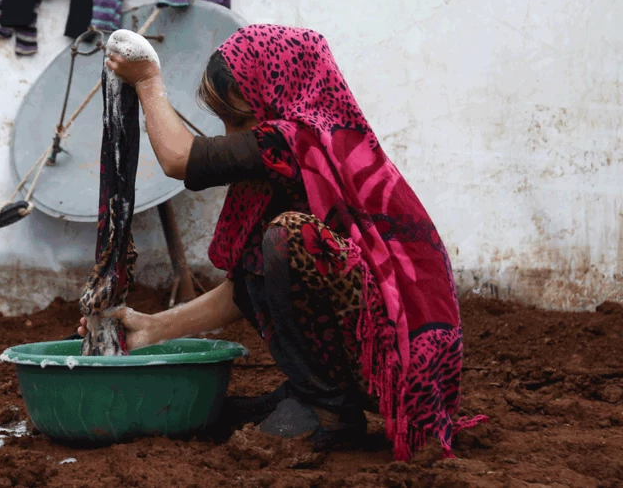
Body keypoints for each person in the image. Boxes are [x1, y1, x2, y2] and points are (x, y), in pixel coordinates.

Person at [77, 24, 485, 459]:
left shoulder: (299, 139)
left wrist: (147, 81)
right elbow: (250, 285)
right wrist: (155, 328)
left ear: (279, 95)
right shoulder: (293, 166)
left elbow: (180, 159)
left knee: (291, 238)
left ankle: (326, 408)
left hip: (401, 365)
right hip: (374, 347)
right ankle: (314, 394)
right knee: (277, 245)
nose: (233, 132)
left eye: (239, 117)